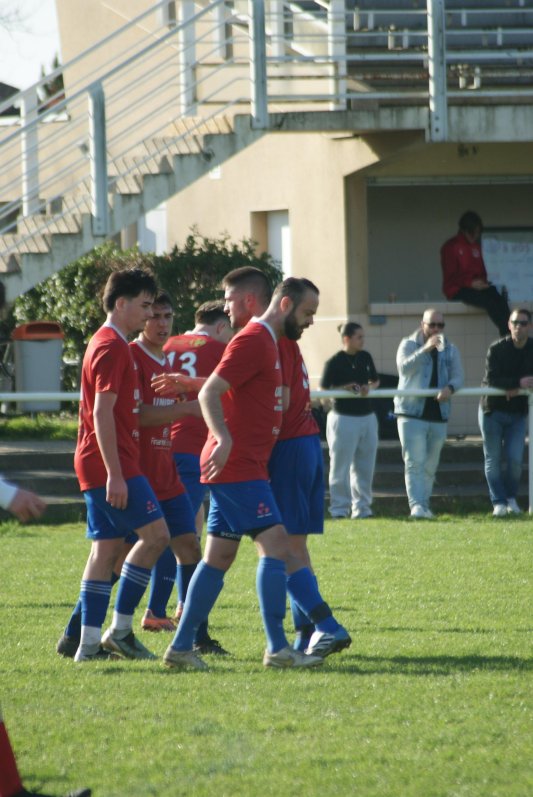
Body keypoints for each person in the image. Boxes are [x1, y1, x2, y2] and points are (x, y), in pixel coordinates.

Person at [159, 273, 350, 671]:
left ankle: (180, 647)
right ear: (284, 305)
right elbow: (211, 391)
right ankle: (287, 644)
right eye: (308, 312)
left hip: (246, 466)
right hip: (237, 467)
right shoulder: (253, 340)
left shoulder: (270, 342)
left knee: (218, 558)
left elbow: (235, 392)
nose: (312, 320)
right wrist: (223, 439)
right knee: (278, 546)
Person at [68, 266, 172, 663]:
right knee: (157, 537)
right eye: (145, 306)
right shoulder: (112, 346)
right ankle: (120, 630)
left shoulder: (108, 342)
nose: (149, 315)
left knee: (106, 548)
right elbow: (102, 412)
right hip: (110, 463)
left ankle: (88, 644)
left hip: (103, 461)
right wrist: (115, 472)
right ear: (122, 303)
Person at [161, 300, 232, 620]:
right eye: (229, 332)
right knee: (174, 534)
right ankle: (161, 608)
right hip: (191, 447)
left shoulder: (166, 343)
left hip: (160, 443)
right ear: (220, 327)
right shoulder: (217, 350)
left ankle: (171, 604)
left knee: (189, 524)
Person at [394, 308, 464, 519]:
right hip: (411, 412)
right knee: (414, 462)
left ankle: (424, 505)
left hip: (438, 413)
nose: (436, 329)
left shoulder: (450, 349)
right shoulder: (408, 344)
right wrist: (425, 349)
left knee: (430, 465)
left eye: (440, 325)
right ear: (421, 324)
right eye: (431, 324)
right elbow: (403, 369)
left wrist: (449, 389)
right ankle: (416, 506)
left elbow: (458, 377)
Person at [320, 322, 380, 520]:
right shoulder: (334, 361)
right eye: (359, 337)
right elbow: (323, 392)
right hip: (343, 418)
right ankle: (339, 510)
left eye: (363, 336)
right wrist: (345, 388)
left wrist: (368, 387)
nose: (363, 340)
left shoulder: (366, 357)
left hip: (367, 417)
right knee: (340, 467)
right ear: (347, 339)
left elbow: (375, 380)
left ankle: (362, 509)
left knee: (365, 467)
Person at [478, 308, 533, 517]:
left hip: (518, 412)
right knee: (493, 458)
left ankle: (510, 498)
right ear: (509, 325)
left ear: (530, 326)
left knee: (515, 459)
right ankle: (498, 502)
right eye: (515, 322)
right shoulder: (497, 348)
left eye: (523, 322)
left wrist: (517, 388)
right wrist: (516, 384)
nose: (519, 326)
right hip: (492, 410)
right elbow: (491, 379)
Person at [441, 210, 510, 337]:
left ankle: (511, 330)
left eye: (478, 233)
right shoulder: (451, 247)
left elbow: (481, 271)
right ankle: (506, 334)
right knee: (488, 302)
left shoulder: (475, 247)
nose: (475, 236)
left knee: (498, 297)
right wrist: (469, 283)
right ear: (464, 230)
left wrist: (482, 283)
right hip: (458, 289)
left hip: (475, 287)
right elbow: (450, 277)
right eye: (473, 233)